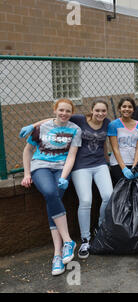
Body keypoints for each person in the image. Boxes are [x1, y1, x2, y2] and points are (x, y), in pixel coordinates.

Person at [19, 99, 114, 259]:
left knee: (107, 196)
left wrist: (107, 161)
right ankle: (80, 240)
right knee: (76, 199)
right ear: (91, 110)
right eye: (97, 110)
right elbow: (53, 121)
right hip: (69, 166)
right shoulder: (78, 120)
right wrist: (33, 126)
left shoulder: (100, 124)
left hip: (83, 166)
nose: (100, 113)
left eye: (103, 111)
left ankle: (98, 229)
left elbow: (103, 144)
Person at [20, 99, 81, 276]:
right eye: (61, 110)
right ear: (55, 110)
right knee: (49, 192)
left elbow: (71, 156)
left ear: (72, 113)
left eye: (68, 111)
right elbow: (27, 150)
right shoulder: (41, 127)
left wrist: (64, 176)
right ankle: (68, 241)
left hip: (61, 168)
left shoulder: (75, 130)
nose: (64, 113)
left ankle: (57, 254)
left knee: (52, 200)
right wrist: (27, 173)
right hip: (41, 166)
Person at [108, 97, 138, 211]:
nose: (126, 109)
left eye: (129, 107)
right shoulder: (114, 124)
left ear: (133, 110)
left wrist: (134, 166)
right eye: (124, 106)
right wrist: (124, 169)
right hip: (119, 164)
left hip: (135, 163)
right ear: (119, 109)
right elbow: (115, 148)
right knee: (125, 194)